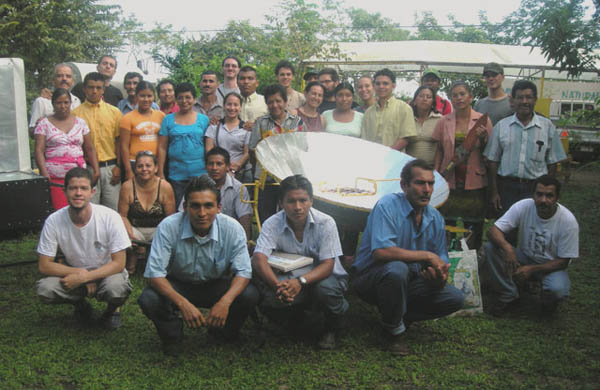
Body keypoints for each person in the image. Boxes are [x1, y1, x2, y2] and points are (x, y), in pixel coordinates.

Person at [352, 159, 464, 355]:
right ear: (404, 185)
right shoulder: (387, 206)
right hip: (371, 279)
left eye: (430, 183)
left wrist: (438, 277)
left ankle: (399, 316)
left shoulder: (435, 218)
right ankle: (393, 333)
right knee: (397, 269)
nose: (427, 189)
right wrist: (427, 256)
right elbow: (381, 252)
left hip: (410, 280)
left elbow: (442, 261)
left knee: (454, 298)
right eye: (420, 183)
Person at [138, 175, 259, 356]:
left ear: (219, 208)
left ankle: (223, 332)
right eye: (195, 206)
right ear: (185, 207)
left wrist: (225, 302)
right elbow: (153, 274)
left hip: (215, 283)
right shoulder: (168, 226)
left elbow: (243, 271)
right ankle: (172, 336)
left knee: (249, 294)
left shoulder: (233, 229)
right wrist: (182, 303)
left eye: (208, 205)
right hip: (178, 284)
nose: (202, 213)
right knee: (149, 299)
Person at [252, 175, 349, 350]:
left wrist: (300, 282)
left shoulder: (326, 223)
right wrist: (277, 287)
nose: (298, 207)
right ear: (281, 202)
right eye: (291, 201)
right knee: (266, 285)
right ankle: (297, 317)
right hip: (291, 278)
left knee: (325, 290)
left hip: (324, 278)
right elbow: (259, 258)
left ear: (311, 201)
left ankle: (333, 325)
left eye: (303, 200)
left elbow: (328, 265)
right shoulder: (272, 223)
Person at [35, 167, 132, 330]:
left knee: (117, 289)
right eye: (73, 188)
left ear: (92, 192)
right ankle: (80, 305)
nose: (78, 193)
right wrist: (79, 274)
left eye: (83, 188)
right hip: (74, 275)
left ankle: (112, 310)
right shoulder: (53, 221)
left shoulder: (110, 217)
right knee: (46, 289)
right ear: (65, 191)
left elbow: (119, 263)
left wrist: (86, 277)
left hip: (107, 273)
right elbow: (44, 265)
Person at [484, 175, 578, 316]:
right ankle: (509, 293)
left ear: (558, 198)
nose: (543, 200)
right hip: (524, 257)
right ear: (533, 194)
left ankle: (547, 303)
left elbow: (563, 262)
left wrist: (532, 269)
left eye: (549, 196)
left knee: (557, 289)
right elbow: (493, 230)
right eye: (539, 194)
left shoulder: (568, 221)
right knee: (490, 247)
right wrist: (508, 248)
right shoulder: (524, 205)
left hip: (550, 266)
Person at [484, 80, 567, 215]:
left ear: (535, 100)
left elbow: (553, 162)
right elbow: (493, 161)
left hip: (535, 189)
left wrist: (547, 191)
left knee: (532, 228)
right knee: (507, 230)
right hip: (507, 188)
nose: (524, 101)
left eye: (528, 97)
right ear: (513, 100)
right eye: (520, 97)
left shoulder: (547, 127)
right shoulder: (501, 126)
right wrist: (494, 192)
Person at [432, 81, 492, 249]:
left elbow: (490, 151)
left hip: (474, 182)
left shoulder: (482, 121)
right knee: (446, 223)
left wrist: (481, 138)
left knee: (473, 226)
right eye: (454, 95)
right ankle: (447, 258)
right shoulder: (444, 121)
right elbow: (439, 150)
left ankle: (470, 261)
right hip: (449, 180)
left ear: (470, 97)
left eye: (462, 94)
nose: (458, 98)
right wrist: (437, 174)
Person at [34, 89, 99, 210]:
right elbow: (39, 150)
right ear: (53, 104)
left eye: (66, 102)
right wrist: (44, 173)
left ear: (70, 103)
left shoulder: (81, 123)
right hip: (55, 177)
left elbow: (89, 148)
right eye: (59, 103)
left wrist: (96, 169)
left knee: (79, 208)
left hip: (79, 177)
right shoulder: (44, 124)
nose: (63, 106)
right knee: (61, 211)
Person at [249, 84, 304, 222]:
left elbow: (304, 149)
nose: (275, 105)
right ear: (266, 103)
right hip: (265, 180)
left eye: (278, 101)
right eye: (270, 101)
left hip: (290, 178)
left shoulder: (297, 123)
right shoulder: (261, 123)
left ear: (285, 102)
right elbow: (252, 150)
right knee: (265, 217)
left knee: (289, 216)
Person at [118, 151, 176, 275]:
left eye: (148, 166)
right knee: (125, 235)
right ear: (135, 169)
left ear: (156, 168)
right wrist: (129, 234)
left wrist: (162, 234)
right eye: (140, 166)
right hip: (135, 228)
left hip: (158, 228)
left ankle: (157, 268)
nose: (144, 169)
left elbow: (170, 218)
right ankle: (131, 267)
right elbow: (122, 216)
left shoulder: (165, 187)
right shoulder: (127, 186)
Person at [72, 72, 123, 211]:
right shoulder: (75, 114)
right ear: (84, 88)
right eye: (91, 87)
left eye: (98, 87)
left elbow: (119, 141)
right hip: (87, 168)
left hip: (110, 168)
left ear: (103, 89)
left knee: (113, 210)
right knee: (89, 209)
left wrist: (119, 166)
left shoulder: (114, 112)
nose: (94, 91)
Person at [158, 82, 210, 207]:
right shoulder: (168, 119)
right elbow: (162, 147)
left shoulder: (204, 119)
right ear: (176, 99)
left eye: (188, 97)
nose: (184, 101)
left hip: (200, 173)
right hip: (176, 175)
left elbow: (209, 146)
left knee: (199, 206)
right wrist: (160, 172)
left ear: (194, 99)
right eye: (180, 98)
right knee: (178, 208)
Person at [202, 147, 252, 240]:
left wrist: (245, 243)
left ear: (228, 166)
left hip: (230, 237)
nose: (214, 168)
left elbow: (244, 218)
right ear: (205, 166)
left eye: (219, 164)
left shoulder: (239, 188)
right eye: (211, 164)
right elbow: (184, 213)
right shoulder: (197, 186)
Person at [361, 68, 417, 151]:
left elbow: (406, 137)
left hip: (395, 158)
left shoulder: (404, 108)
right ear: (374, 86)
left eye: (385, 83)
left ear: (393, 85)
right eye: (378, 83)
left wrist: (388, 153)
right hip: (372, 158)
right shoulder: (368, 112)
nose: (381, 86)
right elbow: (364, 139)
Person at [120, 81, 166, 181]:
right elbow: (124, 146)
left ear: (154, 97)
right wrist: (128, 170)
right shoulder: (127, 118)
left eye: (149, 96)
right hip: (135, 163)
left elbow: (163, 144)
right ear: (136, 97)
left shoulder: (161, 116)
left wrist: (161, 169)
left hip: (154, 163)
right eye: (142, 96)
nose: (146, 99)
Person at [205, 92, 251, 183]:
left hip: (239, 173)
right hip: (216, 172)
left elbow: (247, 152)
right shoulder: (213, 127)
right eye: (229, 104)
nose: (232, 108)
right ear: (224, 106)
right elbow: (209, 150)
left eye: (236, 105)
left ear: (240, 108)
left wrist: (235, 167)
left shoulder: (246, 129)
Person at [29, 63, 81, 136]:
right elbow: (31, 131)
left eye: (68, 76)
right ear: (53, 80)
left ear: (73, 81)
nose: (64, 79)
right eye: (60, 76)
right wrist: (41, 126)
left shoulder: (76, 101)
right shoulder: (41, 101)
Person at [406, 86, 442, 165]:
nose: (424, 99)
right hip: (409, 167)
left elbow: (442, 148)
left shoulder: (440, 119)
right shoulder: (407, 118)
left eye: (428, 97)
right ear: (415, 101)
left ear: (433, 102)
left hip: (431, 168)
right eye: (421, 96)